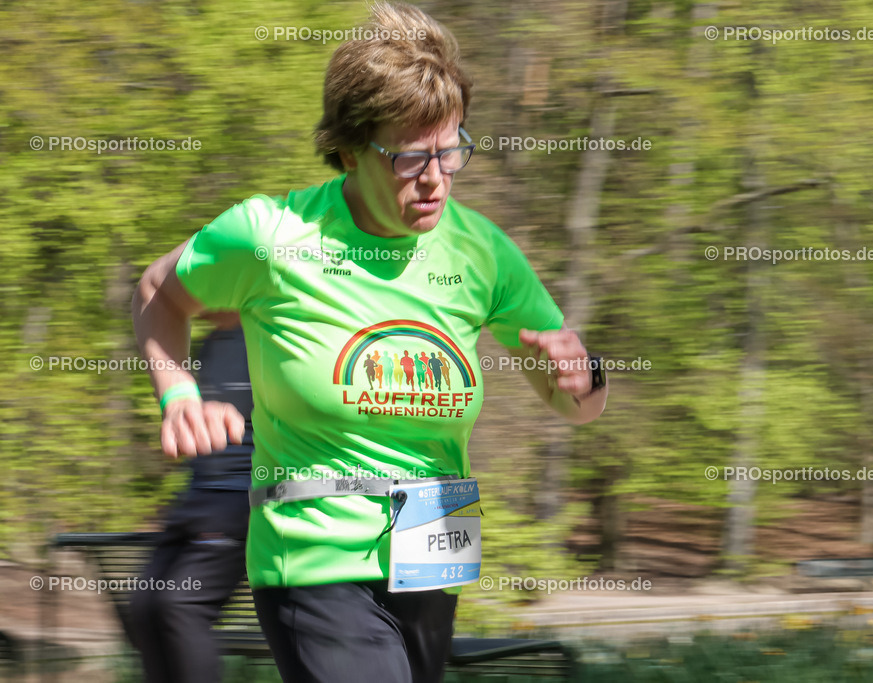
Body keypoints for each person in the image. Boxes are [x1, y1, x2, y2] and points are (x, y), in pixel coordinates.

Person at [130, 4, 608, 682]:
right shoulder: (274, 235)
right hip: (315, 549)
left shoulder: (482, 252)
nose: (437, 177)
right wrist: (179, 393)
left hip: (435, 538)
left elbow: (575, 406)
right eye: (411, 157)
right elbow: (158, 291)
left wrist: (582, 377)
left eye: (451, 150)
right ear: (350, 149)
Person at [128, 313, 253, 683]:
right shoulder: (212, 343)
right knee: (145, 603)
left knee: (180, 605)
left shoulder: (264, 337)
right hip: (198, 496)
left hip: (239, 498)